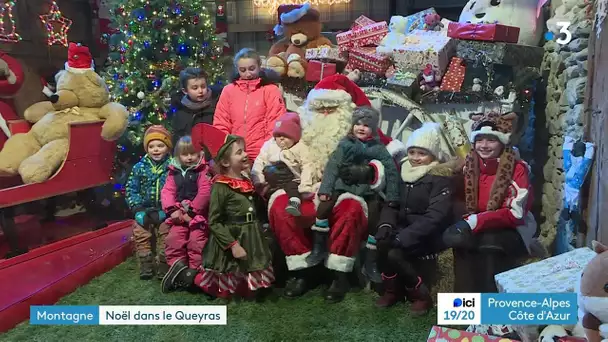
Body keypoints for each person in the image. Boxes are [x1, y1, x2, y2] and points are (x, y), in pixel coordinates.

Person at [266, 74, 407, 303]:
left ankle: (339, 274)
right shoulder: (301, 125)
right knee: (281, 205)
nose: (324, 114)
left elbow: (388, 159)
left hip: (346, 190)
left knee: (351, 209)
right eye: (319, 108)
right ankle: (302, 271)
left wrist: (370, 172)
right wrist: (273, 168)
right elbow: (277, 146)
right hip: (306, 186)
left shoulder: (361, 134)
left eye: (331, 109)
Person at [161, 135, 274, 298]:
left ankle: (244, 286)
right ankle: (188, 277)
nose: (245, 155)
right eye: (239, 152)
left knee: (249, 288)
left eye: (244, 151)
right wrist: (233, 245)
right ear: (226, 162)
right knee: (224, 290)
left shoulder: (245, 180)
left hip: (249, 235)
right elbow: (215, 221)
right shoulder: (221, 187)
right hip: (232, 237)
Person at [442, 112, 535, 293]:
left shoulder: (517, 169)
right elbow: (458, 199)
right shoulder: (469, 166)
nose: (484, 146)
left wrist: (475, 222)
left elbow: (515, 214)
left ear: (502, 142)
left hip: (512, 228)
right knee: (462, 243)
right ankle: (463, 309)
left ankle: (492, 307)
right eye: (479, 140)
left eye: (491, 140)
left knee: (489, 244)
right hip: (475, 223)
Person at [375, 122, 458, 315]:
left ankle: (420, 295)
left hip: (428, 234)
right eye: (412, 152)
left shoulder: (439, 178)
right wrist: (386, 224)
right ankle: (392, 290)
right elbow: (391, 203)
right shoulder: (402, 173)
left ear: (433, 156)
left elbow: (435, 216)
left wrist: (403, 237)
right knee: (381, 244)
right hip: (402, 228)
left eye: (422, 153)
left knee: (396, 253)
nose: (415, 158)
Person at [310, 106, 400, 283]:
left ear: (373, 129)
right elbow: (333, 166)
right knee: (323, 209)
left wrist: (392, 196)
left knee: (375, 217)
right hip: (343, 185)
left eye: (366, 125)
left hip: (367, 189)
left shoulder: (379, 149)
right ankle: (318, 247)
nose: (361, 128)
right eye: (358, 124)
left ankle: (370, 261)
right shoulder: (345, 145)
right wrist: (326, 189)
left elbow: (391, 171)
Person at [213, 48, 285, 161]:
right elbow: (221, 122)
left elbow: (275, 121)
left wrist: (266, 149)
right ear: (237, 69)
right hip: (235, 154)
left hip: (263, 154)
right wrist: (229, 148)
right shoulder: (228, 90)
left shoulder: (270, 90)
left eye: (252, 69)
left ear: (259, 65)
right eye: (243, 70)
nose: (248, 74)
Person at [160, 136, 212, 289]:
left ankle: (195, 271)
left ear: (200, 153)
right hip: (179, 214)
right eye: (185, 154)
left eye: (193, 153)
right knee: (174, 239)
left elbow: (205, 192)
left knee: (196, 242)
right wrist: (172, 210)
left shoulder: (203, 170)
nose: (189, 157)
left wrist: (193, 211)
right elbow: (167, 191)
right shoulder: (173, 172)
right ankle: (178, 269)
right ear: (177, 156)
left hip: (198, 215)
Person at [125, 125, 172, 280]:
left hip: (164, 210)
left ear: (167, 147)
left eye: (160, 145)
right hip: (144, 209)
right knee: (141, 232)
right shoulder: (139, 168)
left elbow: (176, 190)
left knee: (165, 232)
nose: (156, 150)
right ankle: (146, 263)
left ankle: (163, 263)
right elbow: (131, 189)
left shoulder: (172, 167)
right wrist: (138, 209)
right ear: (146, 148)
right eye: (151, 146)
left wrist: (167, 210)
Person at [251, 112, 313, 216]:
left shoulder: (300, 148)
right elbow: (259, 161)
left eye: (286, 136)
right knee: (260, 196)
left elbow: (307, 166)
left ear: (295, 137)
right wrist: (258, 179)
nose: (281, 139)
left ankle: (294, 203)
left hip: (293, 179)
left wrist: (305, 186)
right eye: (278, 135)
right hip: (270, 181)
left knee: (292, 187)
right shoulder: (270, 145)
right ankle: (262, 216)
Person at [171, 67, 222, 147]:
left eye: (203, 86)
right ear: (185, 91)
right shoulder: (180, 112)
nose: (200, 91)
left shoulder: (218, 105)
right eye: (195, 88)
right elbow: (177, 142)